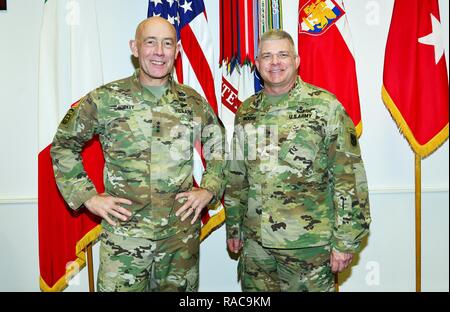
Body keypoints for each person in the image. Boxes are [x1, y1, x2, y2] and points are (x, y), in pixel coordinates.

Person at [51, 16, 225, 292]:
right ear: (135, 47)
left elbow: (220, 148)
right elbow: (63, 145)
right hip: (124, 242)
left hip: (178, 243)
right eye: (150, 42)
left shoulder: (192, 102)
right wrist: (87, 197)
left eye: (167, 44)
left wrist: (209, 189)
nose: (159, 52)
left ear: (177, 51)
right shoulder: (105, 99)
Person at [224, 30, 371, 292]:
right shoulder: (246, 111)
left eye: (282, 55)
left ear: (297, 60)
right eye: (267, 56)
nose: (275, 62)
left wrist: (346, 240)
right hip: (257, 249)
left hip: (308, 248)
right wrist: (234, 226)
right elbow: (237, 175)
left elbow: (349, 177)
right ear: (257, 64)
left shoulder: (326, 107)